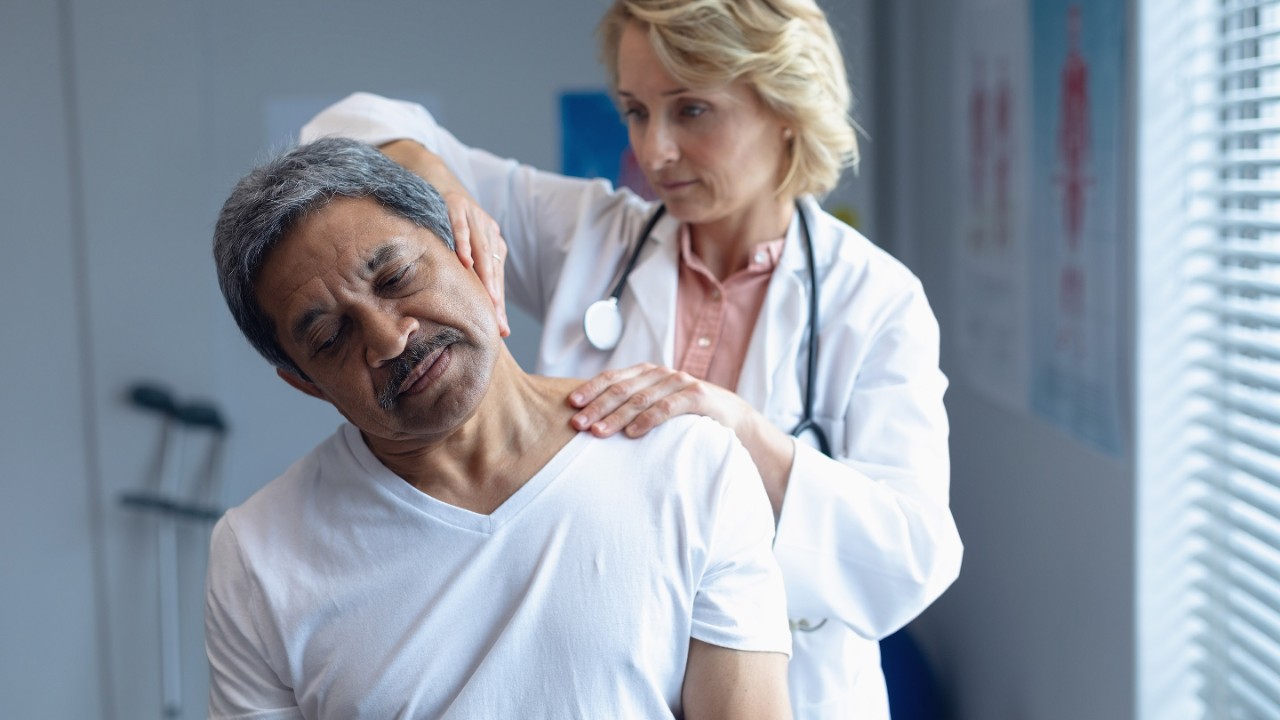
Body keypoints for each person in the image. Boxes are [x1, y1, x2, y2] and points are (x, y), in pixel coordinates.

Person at [303, 0, 963, 716]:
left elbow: (912, 562)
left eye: (691, 111)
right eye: (636, 112)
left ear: (785, 105)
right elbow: (345, 127)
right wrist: (441, 182)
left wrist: (741, 431)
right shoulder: (590, 235)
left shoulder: (874, 301)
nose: (655, 153)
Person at [205, 137, 794, 719]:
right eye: (331, 338)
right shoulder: (260, 553)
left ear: (469, 248)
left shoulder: (687, 463)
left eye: (396, 278)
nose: (388, 339)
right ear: (307, 383)